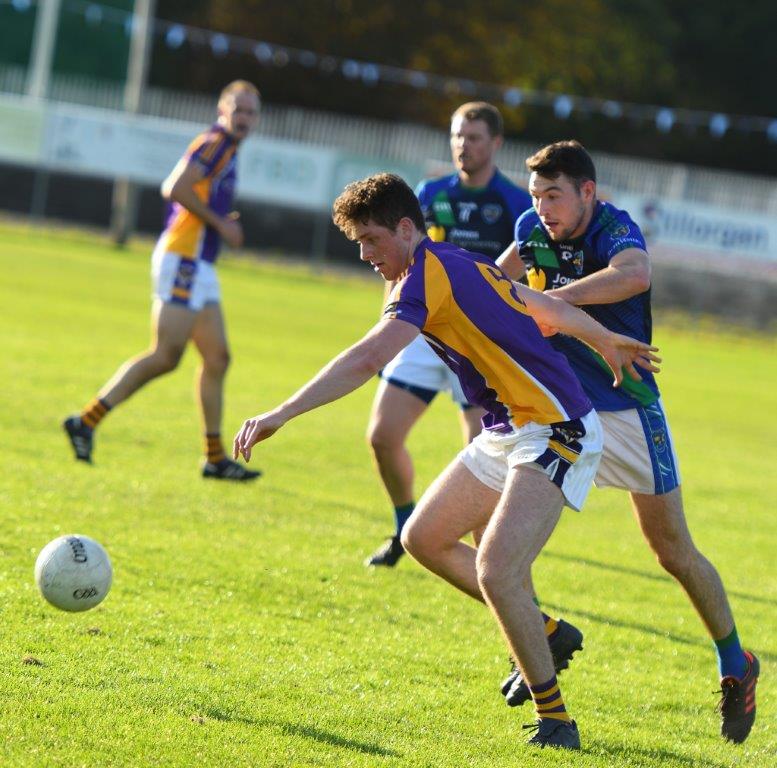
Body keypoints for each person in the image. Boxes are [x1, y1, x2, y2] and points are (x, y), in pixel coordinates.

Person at [233, 173, 659, 749]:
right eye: (356, 244)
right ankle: (548, 633)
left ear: (406, 229)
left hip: (558, 427)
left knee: (497, 569)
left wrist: (282, 413)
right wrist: (602, 339)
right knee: (422, 537)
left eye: (371, 240)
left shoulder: (428, 275)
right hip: (508, 428)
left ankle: (556, 720)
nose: (364, 255)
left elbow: (366, 359)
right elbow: (533, 301)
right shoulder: (447, 263)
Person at [480, 140, 756, 743]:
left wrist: (553, 302)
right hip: (554, 410)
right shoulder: (530, 229)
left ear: (587, 192)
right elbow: (492, 286)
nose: (543, 208)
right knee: (491, 524)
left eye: (555, 195)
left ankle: (736, 661)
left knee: (672, 550)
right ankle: (534, 644)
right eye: (535, 196)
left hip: (626, 406)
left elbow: (635, 275)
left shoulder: (614, 227)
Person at [63, 80, 262, 481]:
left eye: (251, 112)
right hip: (184, 260)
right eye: (237, 109)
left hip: (199, 265)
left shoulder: (230, 149)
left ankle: (214, 457)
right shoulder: (215, 142)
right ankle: (85, 420)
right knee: (166, 354)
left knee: (218, 358)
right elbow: (175, 188)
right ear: (222, 110)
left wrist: (221, 225)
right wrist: (222, 224)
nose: (243, 118)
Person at [365, 102, 532, 567]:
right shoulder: (431, 193)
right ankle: (404, 526)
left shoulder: (515, 204)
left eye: (474, 137)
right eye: (458, 136)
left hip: (475, 343)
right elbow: (398, 263)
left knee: (478, 454)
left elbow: (521, 278)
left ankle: (492, 565)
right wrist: (387, 318)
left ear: (496, 144)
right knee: (382, 435)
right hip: (419, 332)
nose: (464, 145)